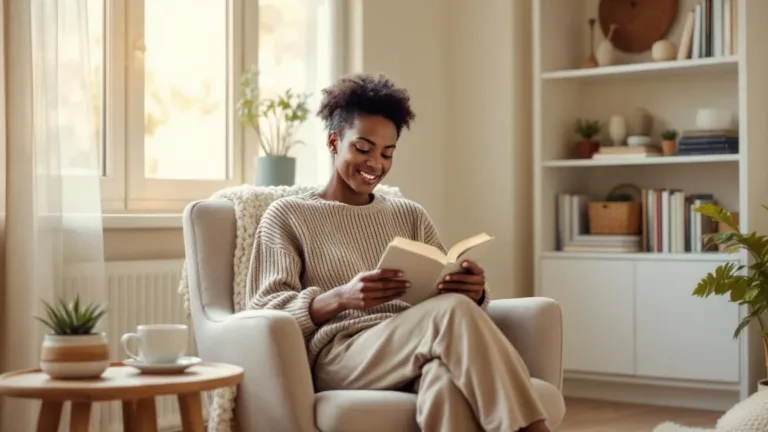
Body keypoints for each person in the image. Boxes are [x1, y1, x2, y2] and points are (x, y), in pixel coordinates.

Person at [245, 73, 550, 432]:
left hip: (416, 348)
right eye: (363, 148)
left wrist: (473, 291)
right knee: (450, 314)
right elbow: (263, 313)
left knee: (445, 381)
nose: (375, 164)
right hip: (342, 356)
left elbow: (446, 304)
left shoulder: (408, 214)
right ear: (333, 142)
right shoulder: (288, 215)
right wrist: (340, 298)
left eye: (387, 153)